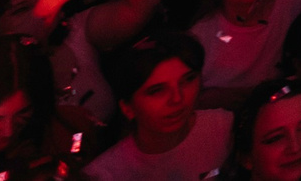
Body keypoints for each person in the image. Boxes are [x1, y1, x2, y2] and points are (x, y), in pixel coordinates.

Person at [87, 34, 231, 181]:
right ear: (127, 108)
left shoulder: (225, 128)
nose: (177, 99)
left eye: (187, 80)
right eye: (157, 91)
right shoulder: (106, 174)